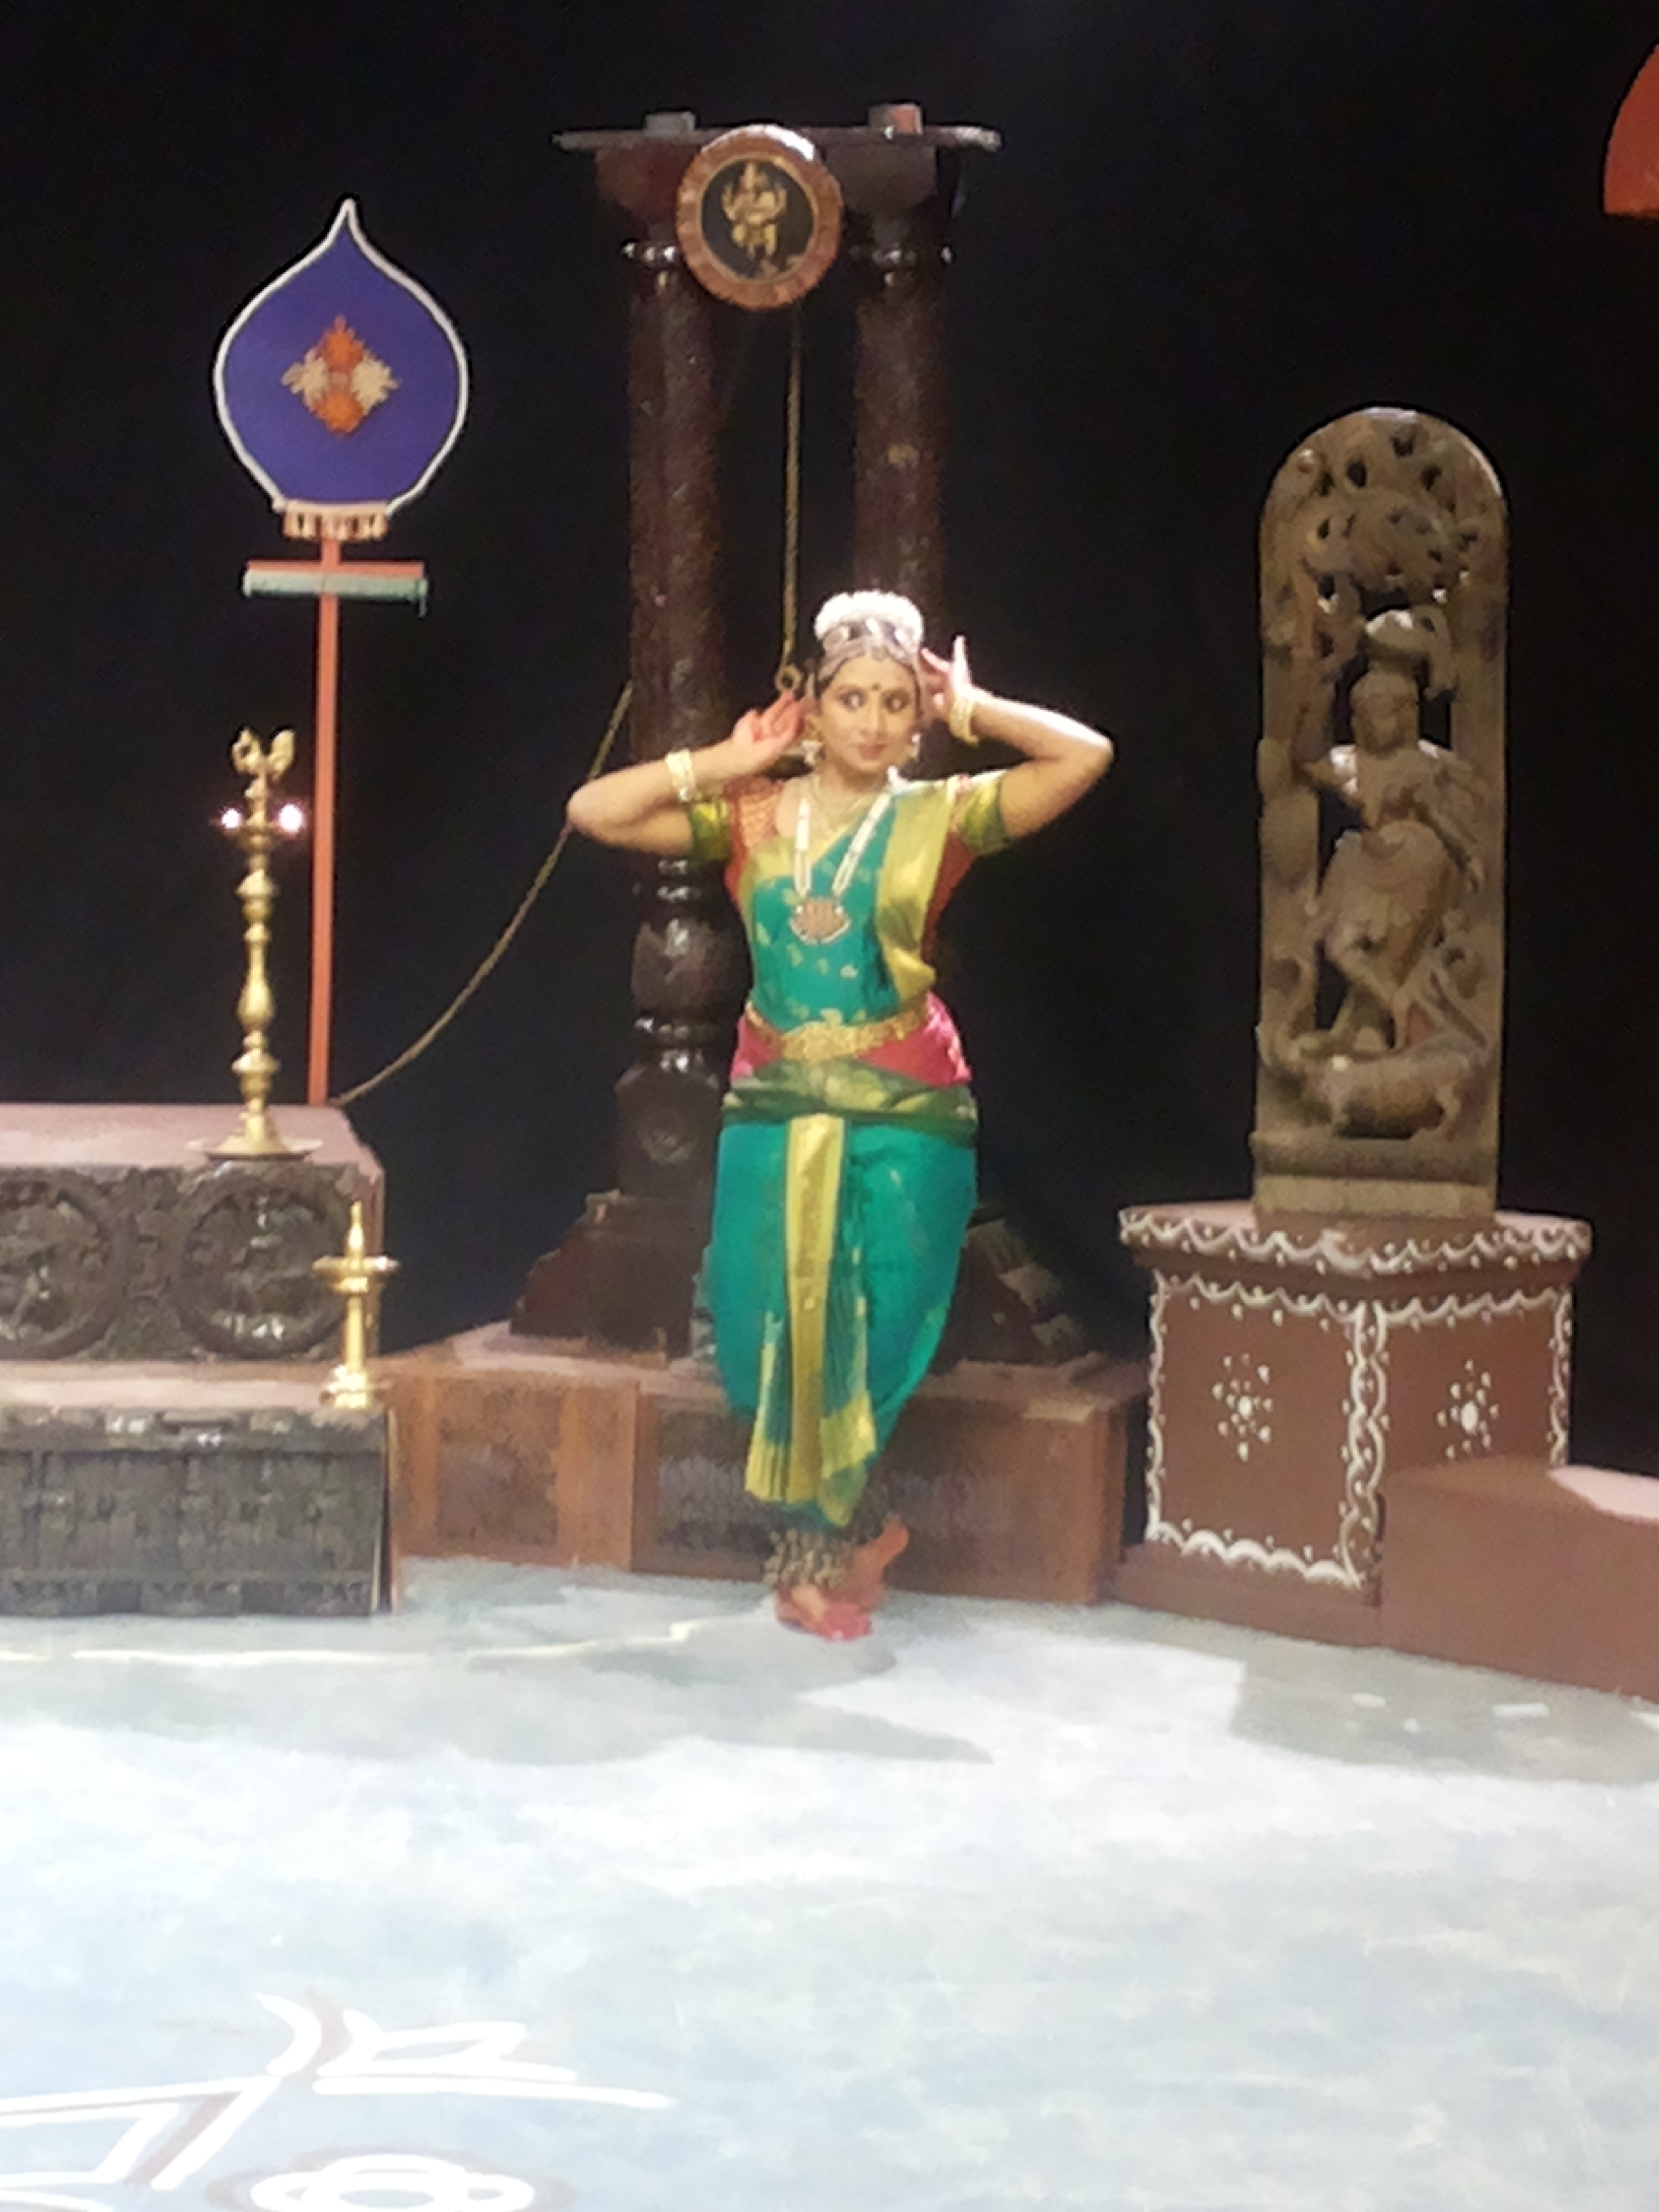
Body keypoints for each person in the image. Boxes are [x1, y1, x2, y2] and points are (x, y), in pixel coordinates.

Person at [567, 592, 1113, 1639]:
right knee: (761, 1325)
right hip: (775, 1109)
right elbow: (596, 812)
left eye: (895, 702)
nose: (872, 720)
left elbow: (1085, 757)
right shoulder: (754, 815)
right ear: (811, 710)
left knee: (878, 1327)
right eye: (851, 698)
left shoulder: (938, 817)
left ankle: (820, 1556)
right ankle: (843, 1539)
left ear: (917, 721)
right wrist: (721, 764)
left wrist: (979, 710)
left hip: (907, 1112)